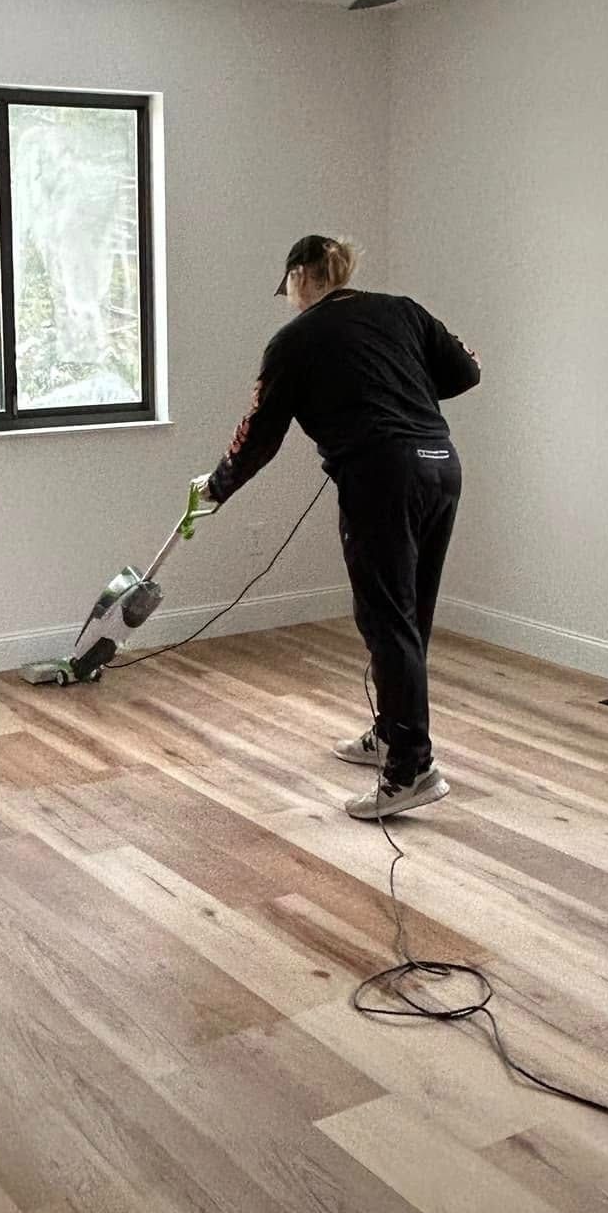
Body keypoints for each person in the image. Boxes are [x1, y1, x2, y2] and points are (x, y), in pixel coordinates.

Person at [194, 234, 480, 821]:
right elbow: (466, 372)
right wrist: (399, 386)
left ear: (301, 275)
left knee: (385, 615)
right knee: (409, 613)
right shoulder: (403, 310)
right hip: (440, 467)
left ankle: (411, 768)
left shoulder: (295, 341)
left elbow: (259, 435)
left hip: (382, 475)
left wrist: (217, 485)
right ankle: (390, 735)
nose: (289, 300)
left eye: (288, 289)